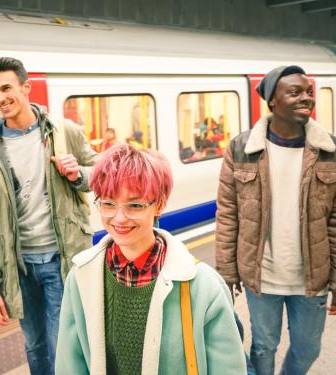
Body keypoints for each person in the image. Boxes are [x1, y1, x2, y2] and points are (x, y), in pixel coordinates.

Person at [56, 144, 247, 374]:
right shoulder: (80, 278)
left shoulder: (203, 286)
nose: (119, 218)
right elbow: (70, 365)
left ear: (159, 204)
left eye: (135, 205)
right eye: (108, 203)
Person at [0, 57, 97, 375]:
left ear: (26, 88)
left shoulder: (63, 131)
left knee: (62, 346)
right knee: (35, 346)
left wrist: (78, 173)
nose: (0, 98)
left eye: (7, 88)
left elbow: (102, 173)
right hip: (20, 266)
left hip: (61, 259)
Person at [216, 65, 336, 375]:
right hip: (262, 276)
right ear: (272, 101)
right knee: (263, 346)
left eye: (308, 92)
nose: (306, 98)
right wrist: (226, 271)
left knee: (308, 348)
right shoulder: (242, 148)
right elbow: (228, 212)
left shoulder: (329, 150)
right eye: (294, 92)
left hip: (312, 278)